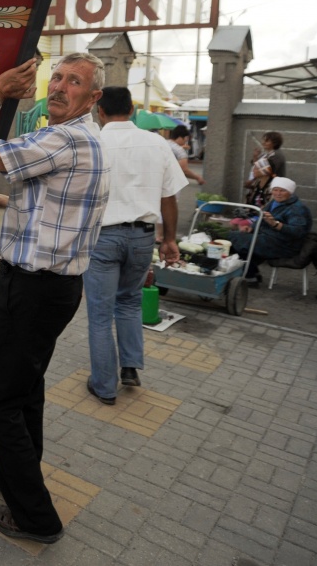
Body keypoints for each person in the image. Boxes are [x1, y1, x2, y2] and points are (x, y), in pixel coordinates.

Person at [0, 53, 109, 545]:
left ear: (93, 97)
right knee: (24, 392)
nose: (61, 87)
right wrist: (1, 200)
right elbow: (57, 201)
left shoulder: (65, 137)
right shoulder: (79, 138)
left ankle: (36, 518)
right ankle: (13, 471)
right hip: (47, 288)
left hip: (34, 289)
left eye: (76, 82)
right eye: (59, 77)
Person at [84, 88, 186, 405]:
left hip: (102, 238)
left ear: (99, 111)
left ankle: (104, 386)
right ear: (132, 109)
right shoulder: (157, 143)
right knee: (129, 303)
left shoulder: (93, 143)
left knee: (100, 316)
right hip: (143, 237)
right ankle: (130, 368)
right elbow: (169, 197)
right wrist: (169, 239)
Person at [226, 177, 312, 287]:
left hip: (284, 245)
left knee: (233, 238)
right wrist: (251, 228)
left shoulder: (296, 209)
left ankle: (250, 274)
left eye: (282, 190)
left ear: (290, 192)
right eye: (275, 190)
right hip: (269, 238)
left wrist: (275, 224)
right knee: (237, 240)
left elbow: (298, 232)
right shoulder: (273, 203)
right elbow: (262, 218)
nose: (278, 193)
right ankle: (250, 274)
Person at [244, 131, 286, 206]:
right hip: (261, 186)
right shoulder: (266, 154)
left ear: (275, 143)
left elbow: (265, 171)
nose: (263, 143)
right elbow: (257, 167)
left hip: (270, 187)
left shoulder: (276, 155)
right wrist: (255, 157)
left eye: (267, 141)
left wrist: (253, 180)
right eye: (263, 140)